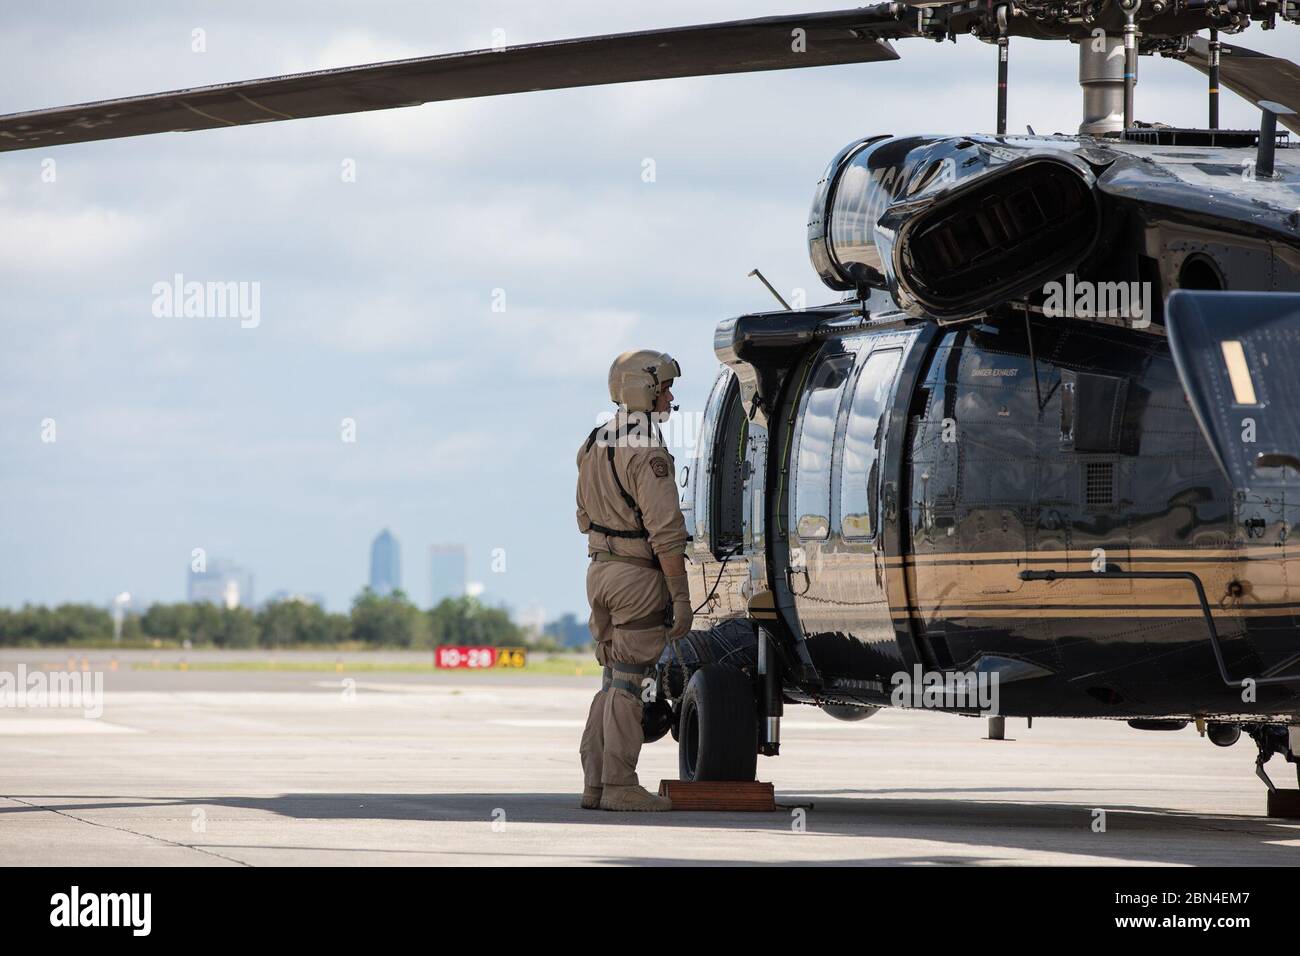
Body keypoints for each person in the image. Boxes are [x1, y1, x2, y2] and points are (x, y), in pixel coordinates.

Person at [576, 350, 693, 811]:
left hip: (599, 571)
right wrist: (680, 597)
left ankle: (595, 784)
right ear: (643, 390)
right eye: (664, 387)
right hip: (636, 577)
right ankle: (620, 785)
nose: (670, 395)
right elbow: (666, 532)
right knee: (630, 683)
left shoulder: (594, 441)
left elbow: (583, 513)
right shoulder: (648, 451)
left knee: (611, 681)